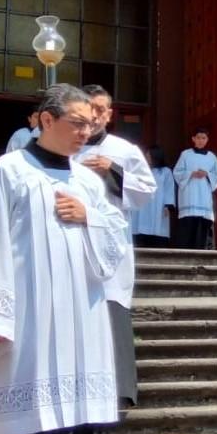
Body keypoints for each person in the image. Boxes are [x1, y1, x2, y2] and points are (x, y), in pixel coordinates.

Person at [0, 83, 128, 434]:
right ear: (47, 120)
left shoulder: (88, 180)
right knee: (27, 426)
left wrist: (91, 218)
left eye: (91, 124)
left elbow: (116, 246)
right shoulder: (9, 171)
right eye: (78, 123)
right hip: (29, 320)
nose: (86, 132)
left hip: (81, 322)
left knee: (76, 423)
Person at [76, 85, 156, 409]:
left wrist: (112, 169)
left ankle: (119, 390)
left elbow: (146, 190)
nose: (95, 115)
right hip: (71, 241)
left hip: (109, 242)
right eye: (89, 108)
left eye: (101, 109)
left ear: (110, 114)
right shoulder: (67, 146)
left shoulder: (123, 149)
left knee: (111, 308)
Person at [173, 128, 217, 249]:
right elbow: (177, 172)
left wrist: (207, 174)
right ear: (193, 139)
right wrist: (190, 173)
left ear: (207, 140)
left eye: (203, 138)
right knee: (188, 225)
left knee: (203, 225)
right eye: (198, 138)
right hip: (189, 195)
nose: (201, 140)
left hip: (203, 196)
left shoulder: (212, 157)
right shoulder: (185, 154)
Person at [131, 146, 177, 248]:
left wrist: (168, 205)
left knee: (158, 228)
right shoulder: (140, 169)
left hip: (158, 205)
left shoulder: (165, 172)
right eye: (146, 156)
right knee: (140, 227)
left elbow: (169, 189)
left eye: (149, 156)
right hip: (142, 205)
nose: (146, 158)